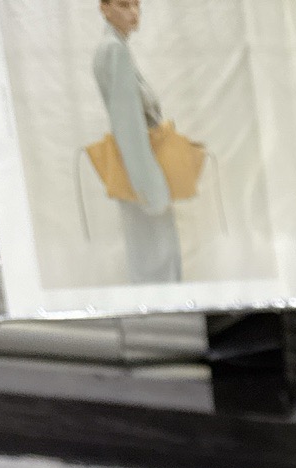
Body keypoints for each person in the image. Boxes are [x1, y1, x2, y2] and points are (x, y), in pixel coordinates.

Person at [93, 0, 181, 283]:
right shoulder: (114, 51)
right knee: (157, 269)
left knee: (151, 265)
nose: (133, 13)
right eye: (123, 4)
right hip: (141, 176)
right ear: (104, 8)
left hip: (138, 171)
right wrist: (152, 191)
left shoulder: (116, 48)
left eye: (136, 5)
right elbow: (128, 127)